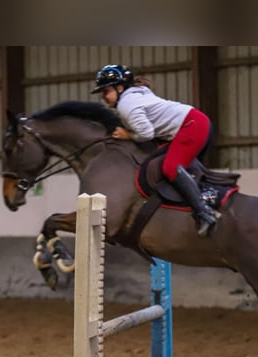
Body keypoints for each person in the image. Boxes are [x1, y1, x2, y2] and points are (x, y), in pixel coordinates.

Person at [91, 64, 218, 236]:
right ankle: (205, 196)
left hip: (191, 126)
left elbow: (147, 133)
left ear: (120, 88)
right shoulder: (136, 94)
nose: (103, 97)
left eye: (106, 91)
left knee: (170, 168)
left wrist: (128, 135)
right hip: (196, 121)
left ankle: (204, 213)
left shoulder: (126, 105)